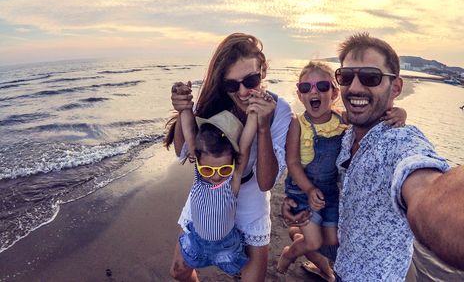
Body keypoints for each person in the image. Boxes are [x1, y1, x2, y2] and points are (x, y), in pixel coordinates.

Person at [282, 32, 464, 281]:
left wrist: (443, 207)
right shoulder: (346, 135)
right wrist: (298, 198)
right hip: (344, 261)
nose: (355, 87)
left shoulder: (400, 142)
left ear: (396, 87)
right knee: (311, 234)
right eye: (346, 77)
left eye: (371, 77)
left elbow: (424, 184)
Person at [165, 33, 292, 281]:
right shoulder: (217, 103)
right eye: (232, 85)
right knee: (179, 271)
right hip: (207, 193)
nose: (243, 92)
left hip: (251, 199)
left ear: (263, 71)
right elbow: (184, 151)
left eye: (251, 80)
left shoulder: (280, 110)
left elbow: (266, 182)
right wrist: (183, 110)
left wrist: (263, 126)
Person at [276, 62, 406, 279]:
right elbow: (293, 163)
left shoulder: (342, 119)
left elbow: (376, 116)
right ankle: (290, 254)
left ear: (335, 93)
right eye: (306, 88)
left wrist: (400, 112)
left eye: (322, 86)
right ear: (300, 95)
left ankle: (301, 239)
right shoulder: (298, 124)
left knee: (332, 239)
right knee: (315, 241)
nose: (314, 92)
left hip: (330, 191)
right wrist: (308, 190)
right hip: (302, 189)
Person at [173, 103, 257, 275]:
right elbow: (189, 133)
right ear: (198, 162)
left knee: (234, 268)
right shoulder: (199, 177)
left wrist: (254, 115)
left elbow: (246, 144)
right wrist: (186, 108)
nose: (216, 176)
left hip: (226, 245)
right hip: (197, 241)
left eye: (224, 169)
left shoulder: (232, 181)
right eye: (207, 170)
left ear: (233, 164)